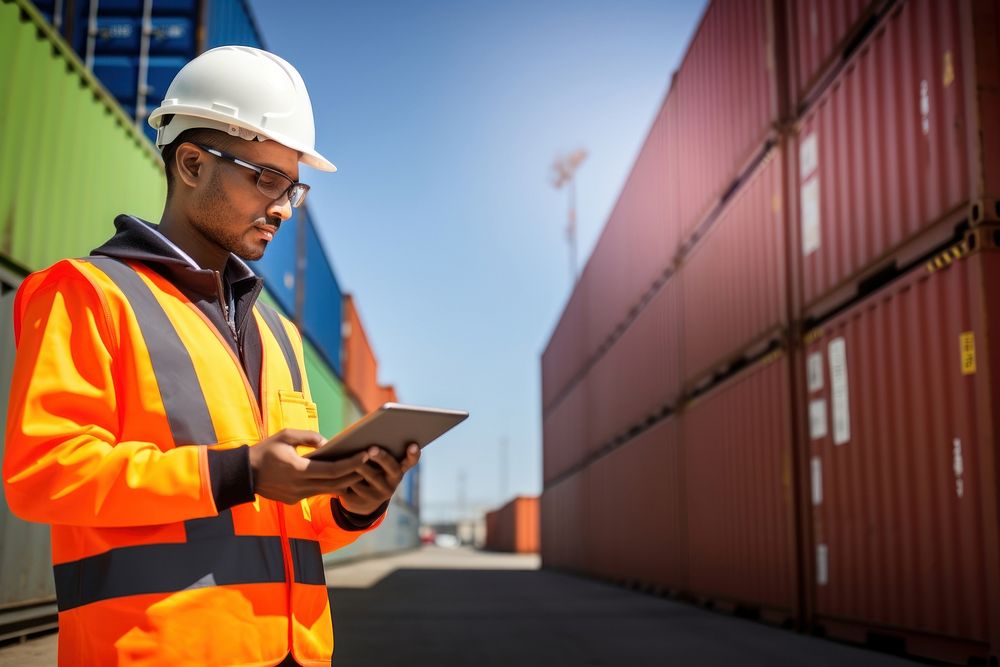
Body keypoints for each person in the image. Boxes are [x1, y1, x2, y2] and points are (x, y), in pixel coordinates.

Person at [2, 46, 418, 666]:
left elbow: (290, 523)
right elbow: (45, 475)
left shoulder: (279, 335)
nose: (281, 206)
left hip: (293, 654)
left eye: (292, 188)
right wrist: (238, 472)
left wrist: (353, 503)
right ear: (192, 163)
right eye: (267, 178)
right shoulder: (89, 294)